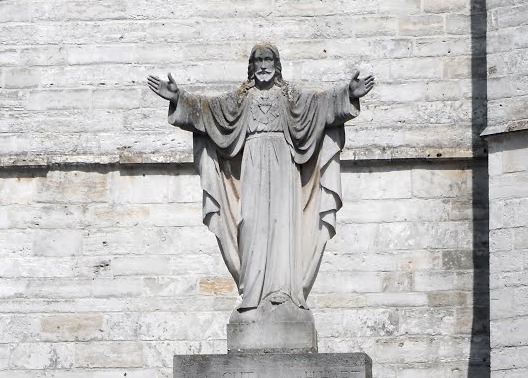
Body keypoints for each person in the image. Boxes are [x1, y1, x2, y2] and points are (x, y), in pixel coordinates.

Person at [147, 43, 374, 311]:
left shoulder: (290, 98)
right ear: (252, 67)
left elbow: (321, 105)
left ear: (276, 66)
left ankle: (284, 291)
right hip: (252, 165)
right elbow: (210, 112)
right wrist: (179, 99)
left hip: (284, 167)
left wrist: (348, 94)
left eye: (268, 60)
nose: (263, 65)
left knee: (282, 224)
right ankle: (254, 292)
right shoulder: (241, 100)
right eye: (259, 60)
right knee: (251, 223)